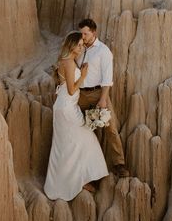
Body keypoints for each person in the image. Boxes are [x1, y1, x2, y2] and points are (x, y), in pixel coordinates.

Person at [44, 31, 109, 200]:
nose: (81, 48)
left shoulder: (65, 61)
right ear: (71, 45)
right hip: (67, 109)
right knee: (82, 140)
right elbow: (72, 89)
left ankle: (75, 180)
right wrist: (84, 75)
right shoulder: (69, 63)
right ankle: (76, 182)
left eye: (82, 45)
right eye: (79, 45)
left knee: (67, 146)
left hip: (65, 106)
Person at [77, 18, 129, 178]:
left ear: (94, 33)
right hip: (80, 95)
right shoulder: (78, 48)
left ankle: (119, 164)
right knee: (79, 129)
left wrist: (103, 99)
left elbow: (107, 78)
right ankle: (84, 168)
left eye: (85, 33)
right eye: (81, 33)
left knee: (110, 128)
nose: (83, 36)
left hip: (97, 93)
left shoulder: (103, 51)